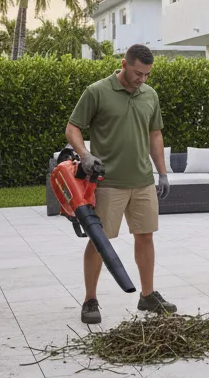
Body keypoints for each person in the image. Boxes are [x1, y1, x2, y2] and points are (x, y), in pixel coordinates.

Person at [66, 43, 176, 323]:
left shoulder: (150, 95)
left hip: (142, 181)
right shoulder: (97, 91)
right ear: (125, 65)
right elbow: (73, 127)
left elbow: (155, 135)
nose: (143, 79)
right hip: (108, 182)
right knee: (100, 241)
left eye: (148, 75)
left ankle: (147, 295)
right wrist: (86, 154)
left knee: (146, 236)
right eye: (139, 73)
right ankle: (90, 300)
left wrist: (162, 173)